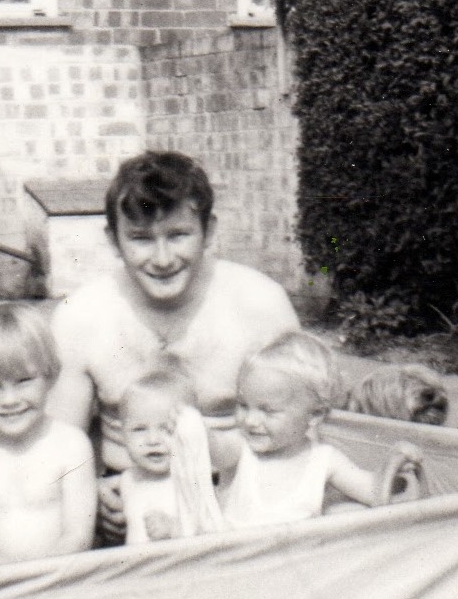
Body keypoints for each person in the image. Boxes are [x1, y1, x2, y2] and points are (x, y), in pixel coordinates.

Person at [47, 151, 300, 537]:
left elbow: (307, 431)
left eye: (178, 235)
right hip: (128, 509)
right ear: (113, 240)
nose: (162, 259)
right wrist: (92, 493)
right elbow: (59, 444)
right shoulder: (80, 317)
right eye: (141, 238)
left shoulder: (261, 306)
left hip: (246, 506)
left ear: (208, 231)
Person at [0, 302, 97, 572]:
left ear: (49, 376)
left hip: (60, 581)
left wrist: (37, 585)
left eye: (24, 381)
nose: (10, 400)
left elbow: (78, 536)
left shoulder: (72, 446)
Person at [213, 331, 424, 529]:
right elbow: (212, 446)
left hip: (300, 555)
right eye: (243, 405)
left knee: (348, 511)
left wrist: (395, 463)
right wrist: (194, 424)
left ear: (314, 416)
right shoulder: (240, 447)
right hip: (236, 555)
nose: (250, 420)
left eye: (268, 411)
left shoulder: (324, 459)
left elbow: (375, 492)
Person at [119, 366, 223, 545]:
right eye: (139, 429)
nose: (153, 440)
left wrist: (175, 529)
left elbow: (212, 529)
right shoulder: (129, 479)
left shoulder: (194, 476)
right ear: (123, 434)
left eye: (166, 429)